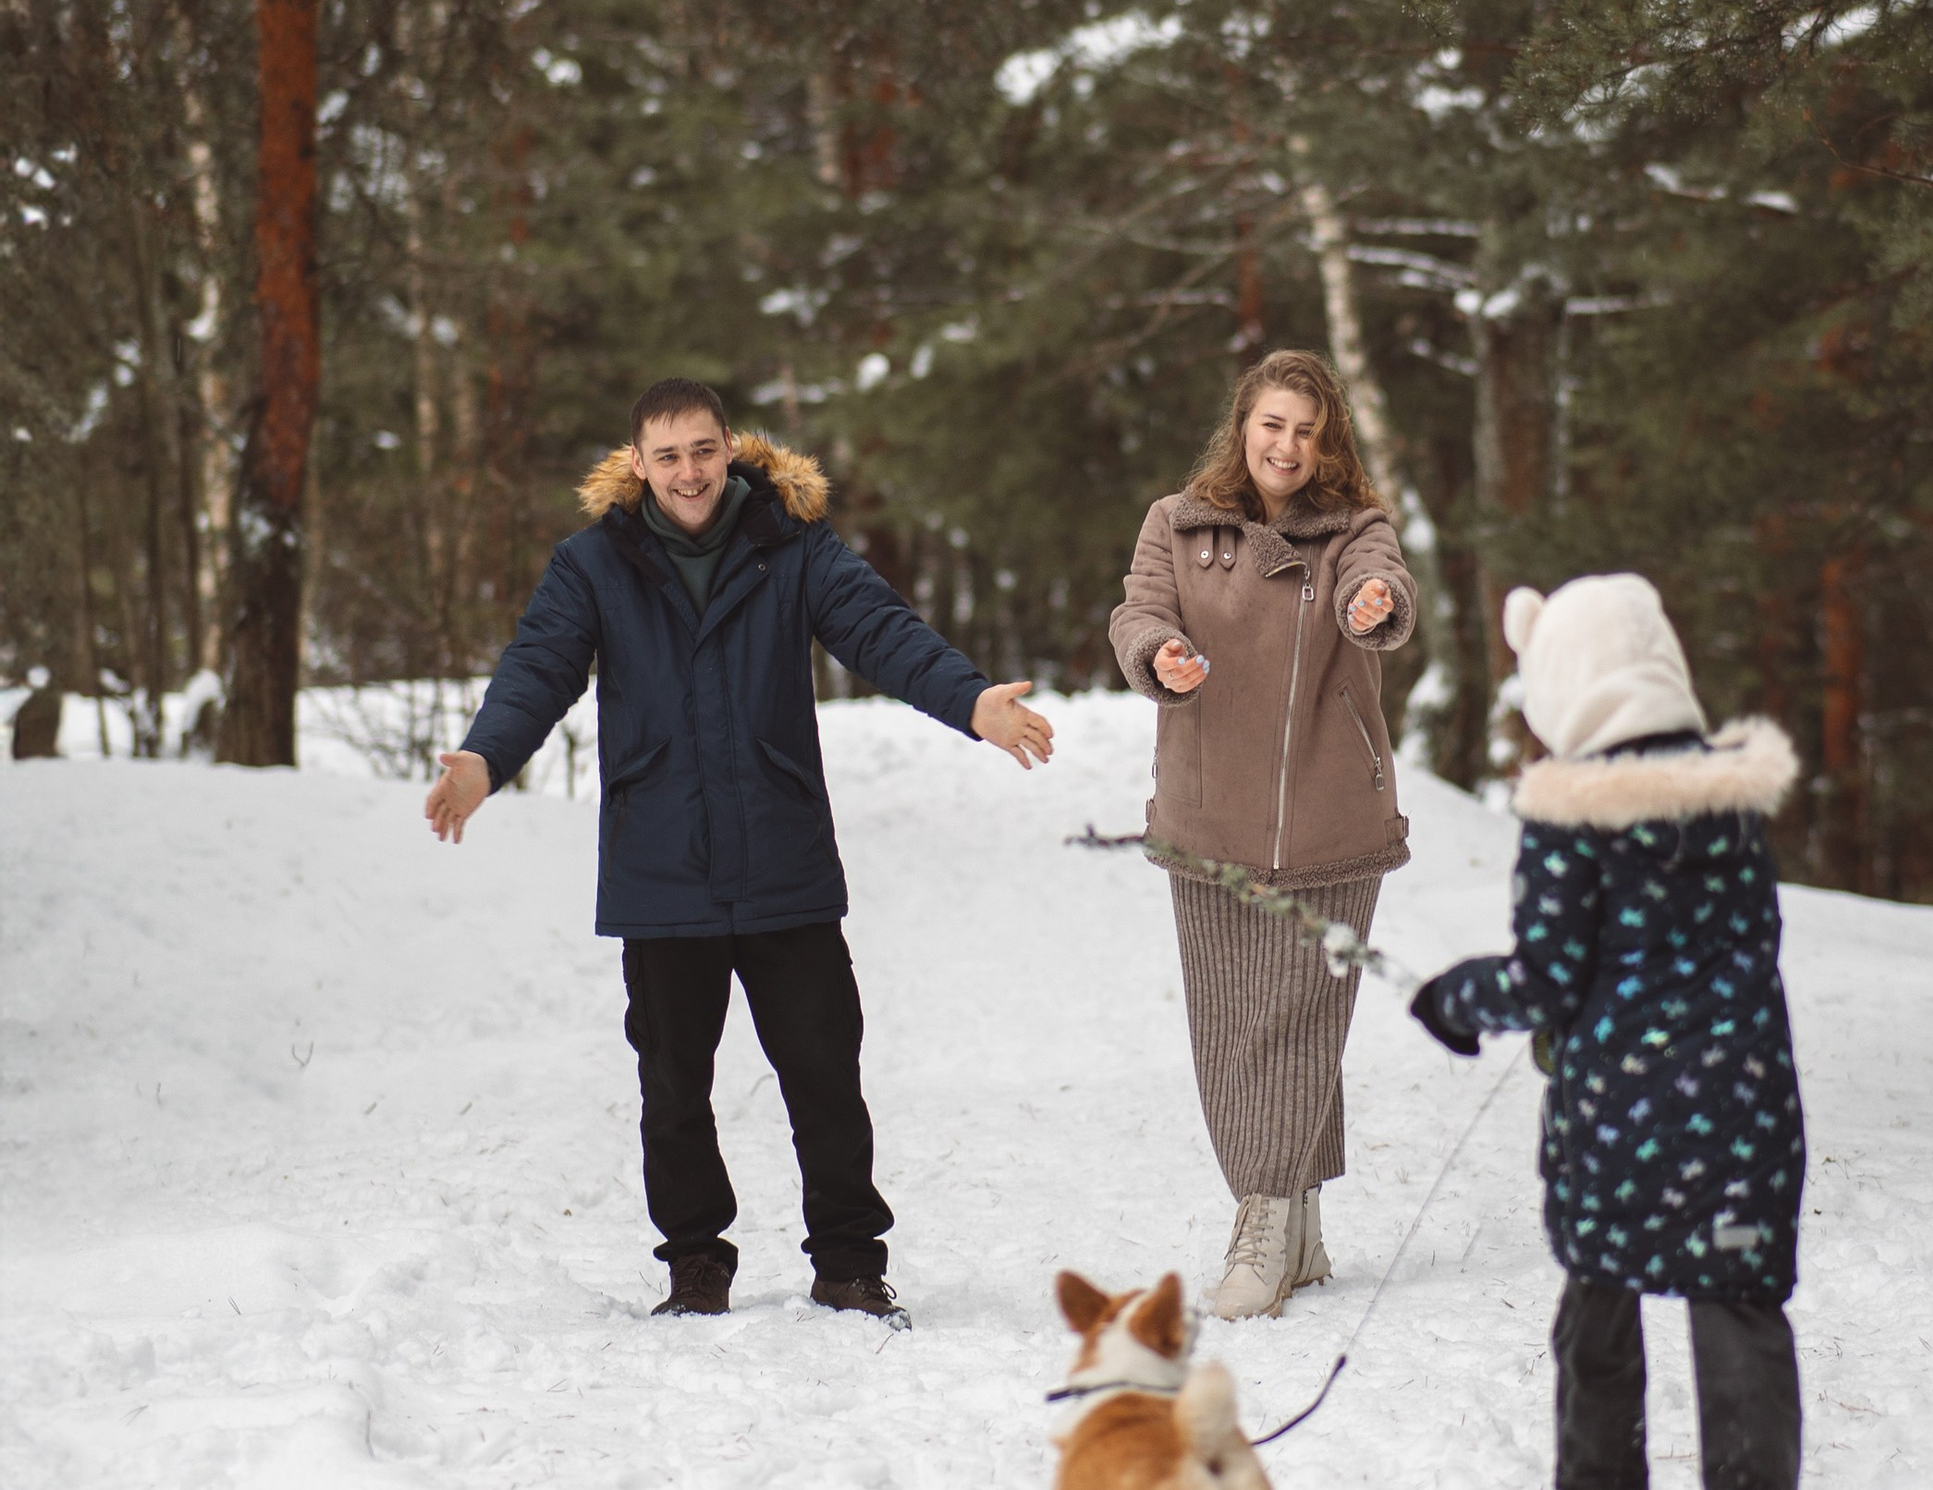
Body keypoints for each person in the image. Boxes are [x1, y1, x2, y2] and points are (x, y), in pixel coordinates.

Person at [423, 377, 1052, 1321]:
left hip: (781, 854)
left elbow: (880, 632)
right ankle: (694, 1267)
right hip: (660, 861)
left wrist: (970, 702)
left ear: (731, 447)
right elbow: (537, 670)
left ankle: (848, 1262)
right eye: (667, 455)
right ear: (637, 462)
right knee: (673, 1083)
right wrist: (481, 759)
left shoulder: (789, 547)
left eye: (704, 450)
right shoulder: (594, 564)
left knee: (823, 1072)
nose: (689, 472)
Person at [1408, 575, 1809, 1490]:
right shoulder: (1729, 798)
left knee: (1598, 1318)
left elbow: (1545, 980)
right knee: (1738, 1315)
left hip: (1617, 1122)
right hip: (1742, 1106)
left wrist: (1452, 1000)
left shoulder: (1567, 818)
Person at [1109, 350, 1416, 1320]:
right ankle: (1303, 1226)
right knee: (1229, 1026)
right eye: (1271, 423)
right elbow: (1138, 610)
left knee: (1293, 1019)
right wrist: (1156, 652)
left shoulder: (1354, 529)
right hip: (1205, 815)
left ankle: (1262, 1219)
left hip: (1329, 819)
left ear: (1327, 444)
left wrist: (1377, 606)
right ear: (1242, 426)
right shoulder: (1177, 521)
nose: (1286, 444)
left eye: (1306, 429)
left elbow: (1385, 588)